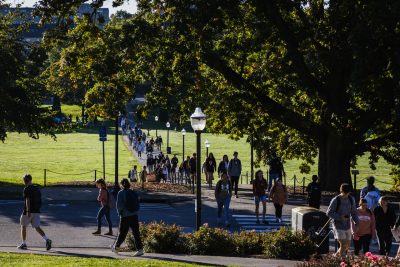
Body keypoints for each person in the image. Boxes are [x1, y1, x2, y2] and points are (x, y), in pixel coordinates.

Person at [17, 174, 52, 251]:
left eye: (24, 180)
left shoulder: (26, 189)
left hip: (28, 211)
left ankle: (24, 244)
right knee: (37, 227)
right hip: (36, 211)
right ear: (31, 180)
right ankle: (47, 240)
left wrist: (28, 211)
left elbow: (27, 200)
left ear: (25, 180)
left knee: (23, 226)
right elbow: (39, 200)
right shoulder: (36, 188)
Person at [112, 178, 143, 256]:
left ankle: (116, 248)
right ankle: (140, 249)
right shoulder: (133, 191)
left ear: (122, 185)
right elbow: (138, 202)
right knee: (136, 233)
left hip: (125, 216)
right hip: (134, 215)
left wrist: (119, 213)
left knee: (122, 233)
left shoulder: (121, 193)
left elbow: (119, 206)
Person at [326, 183, 359, 257]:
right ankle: (342, 261)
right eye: (344, 193)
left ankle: (335, 256)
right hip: (338, 225)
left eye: (347, 193)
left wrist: (357, 222)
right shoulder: (336, 200)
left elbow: (354, 212)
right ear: (341, 191)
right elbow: (328, 213)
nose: (346, 195)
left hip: (348, 225)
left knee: (347, 246)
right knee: (343, 245)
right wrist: (340, 217)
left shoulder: (351, 199)